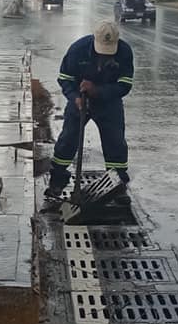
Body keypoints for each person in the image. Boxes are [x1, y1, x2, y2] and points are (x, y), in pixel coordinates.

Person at [46, 19, 134, 204]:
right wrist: (75, 97)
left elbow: (125, 85)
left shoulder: (124, 52)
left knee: (115, 143)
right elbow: (64, 78)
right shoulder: (78, 49)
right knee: (68, 139)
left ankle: (117, 185)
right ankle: (57, 181)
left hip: (109, 102)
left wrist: (99, 91)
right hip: (80, 100)